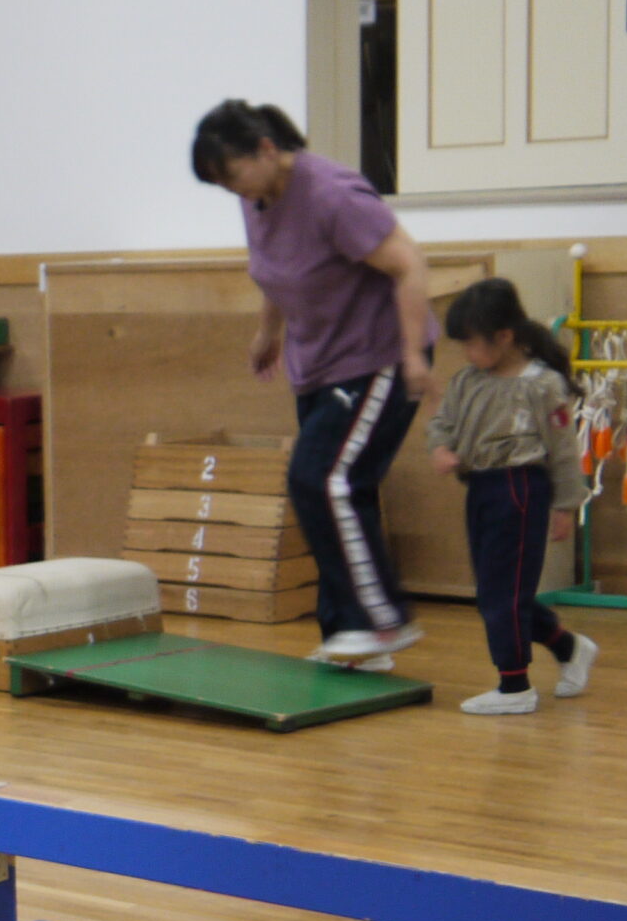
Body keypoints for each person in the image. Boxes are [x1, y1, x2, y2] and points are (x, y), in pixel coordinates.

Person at [193, 100, 436, 667]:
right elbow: (276, 271)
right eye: (219, 184)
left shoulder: (331, 195)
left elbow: (409, 264)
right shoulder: (257, 197)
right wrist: (268, 332)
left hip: (378, 354)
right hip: (320, 363)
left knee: (321, 479)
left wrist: (411, 356)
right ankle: (349, 640)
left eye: (231, 175)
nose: (231, 191)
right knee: (339, 491)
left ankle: (381, 622)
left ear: (266, 149)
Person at [427, 280, 596, 716]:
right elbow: (442, 422)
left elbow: (563, 449)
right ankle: (568, 647)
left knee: (503, 594)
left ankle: (515, 685)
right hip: (481, 489)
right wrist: (441, 447)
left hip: (520, 489)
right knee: (495, 592)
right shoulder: (467, 381)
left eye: (473, 343)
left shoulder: (542, 386)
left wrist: (565, 505)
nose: (467, 353)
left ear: (504, 336)